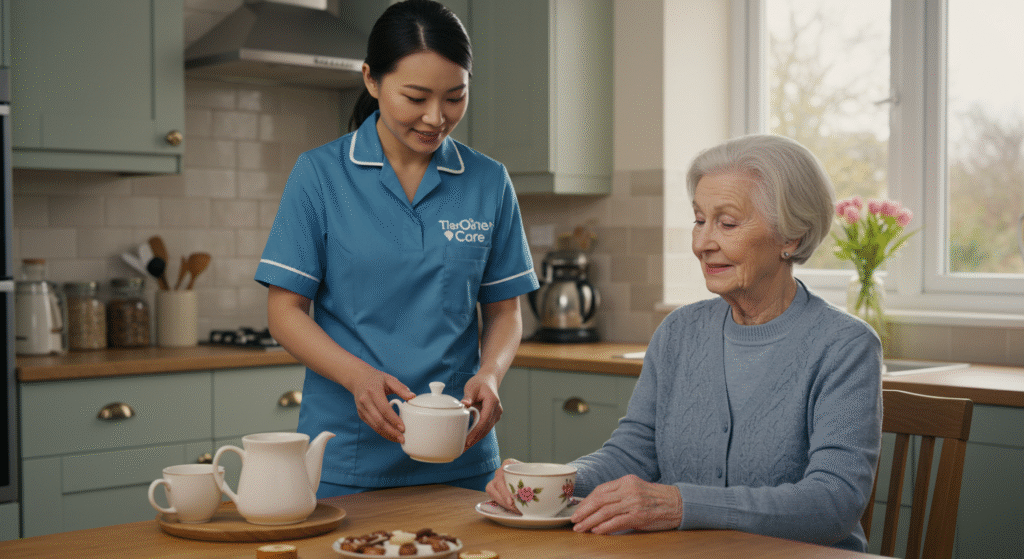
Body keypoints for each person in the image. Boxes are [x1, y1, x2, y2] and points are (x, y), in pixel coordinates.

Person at [487, 135, 882, 552]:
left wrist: (681, 505)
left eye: (727, 223)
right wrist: (547, 482)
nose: (702, 243)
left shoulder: (845, 346)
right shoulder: (679, 332)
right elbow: (632, 454)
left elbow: (833, 503)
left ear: (793, 238)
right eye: (699, 220)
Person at [256, 0, 538, 497]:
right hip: (348, 453)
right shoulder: (320, 176)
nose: (436, 117)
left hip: (462, 452)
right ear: (371, 80)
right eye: (416, 97)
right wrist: (358, 378)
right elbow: (285, 312)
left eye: (455, 97)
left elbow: (505, 311)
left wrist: (491, 375)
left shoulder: (488, 181)